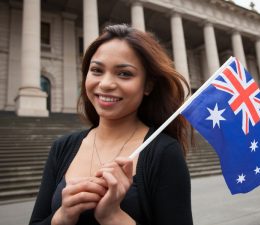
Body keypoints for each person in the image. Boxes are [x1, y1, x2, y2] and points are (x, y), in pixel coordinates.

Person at [29, 24, 193, 225]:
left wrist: (113, 217)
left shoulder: (164, 151)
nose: (105, 83)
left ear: (148, 85)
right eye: (97, 70)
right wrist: (62, 217)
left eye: (124, 73)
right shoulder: (62, 147)